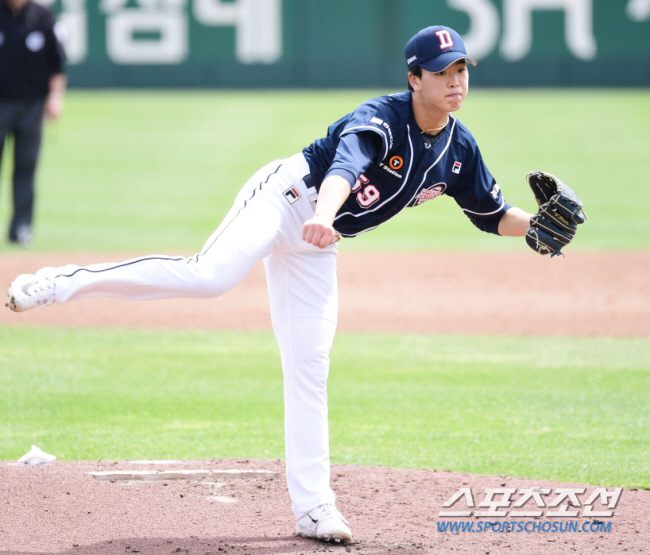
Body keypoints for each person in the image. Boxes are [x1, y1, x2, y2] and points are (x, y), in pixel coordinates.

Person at [5, 26, 567, 543]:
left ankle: (313, 507)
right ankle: (62, 282)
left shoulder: (459, 147)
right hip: (288, 199)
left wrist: (535, 228)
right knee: (209, 276)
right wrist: (322, 216)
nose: (455, 82)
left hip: (317, 241)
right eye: (442, 71)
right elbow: (346, 166)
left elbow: (491, 212)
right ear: (414, 78)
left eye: (461, 70)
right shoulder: (382, 116)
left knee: (309, 363)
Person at [0, 0, 66, 246]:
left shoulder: (43, 16)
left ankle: (22, 228)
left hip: (32, 105)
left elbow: (57, 63)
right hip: (1, 103)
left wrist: (56, 97)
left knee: (26, 168)